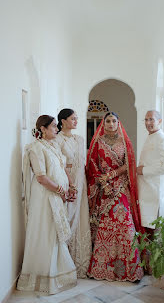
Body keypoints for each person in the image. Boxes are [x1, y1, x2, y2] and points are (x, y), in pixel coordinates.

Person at [17, 115, 77, 295]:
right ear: (42, 129)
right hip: (44, 197)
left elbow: (62, 168)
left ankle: (57, 275)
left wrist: (71, 186)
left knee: (56, 234)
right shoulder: (35, 148)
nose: (57, 129)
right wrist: (61, 191)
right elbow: (41, 177)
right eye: (53, 127)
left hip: (57, 195)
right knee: (47, 234)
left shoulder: (53, 146)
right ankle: (43, 278)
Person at [86, 112, 144, 282]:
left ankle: (129, 270)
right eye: (108, 121)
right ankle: (103, 268)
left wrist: (111, 175)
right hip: (103, 188)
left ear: (119, 123)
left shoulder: (124, 142)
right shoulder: (97, 142)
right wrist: (103, 183)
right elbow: (92, 165)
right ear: (103, 124)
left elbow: (129, 164)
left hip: (120, 186)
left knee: (125, 223)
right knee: (105, 224)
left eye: (114, 121)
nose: (111, 124)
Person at [55, 108, 92, 278]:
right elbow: (58, 164)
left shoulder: (79, 139)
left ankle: (80, 263)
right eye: (73, 118)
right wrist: (69, 183)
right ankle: (64, 263)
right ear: (63, 121)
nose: (76, 121)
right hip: (66, 181)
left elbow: (82, 162)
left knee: (80, 217)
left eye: (77, 118)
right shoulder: (57, 139)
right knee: (67, 216)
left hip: (81, 180)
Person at [137, 110, 164, 231]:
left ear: (160, 121)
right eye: (146, 120)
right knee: (147, 231)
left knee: (155, 232)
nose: (148, 123)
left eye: (151, 119)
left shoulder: (163, 139)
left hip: (155, 194)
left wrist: (143, 170)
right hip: (147, 192)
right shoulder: (152, 136)